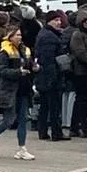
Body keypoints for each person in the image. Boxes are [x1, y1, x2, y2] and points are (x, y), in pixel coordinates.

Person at [0, 26, 34, 159]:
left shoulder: (25, 50)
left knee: (23, 119)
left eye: (20, 35)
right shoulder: (4, 52)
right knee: (8, 120)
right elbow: (1, 71)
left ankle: (22, 148)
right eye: (17, 35)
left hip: (23, 89)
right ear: (10, 37)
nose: (20, 37)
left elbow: (29, 65)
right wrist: (18, 72)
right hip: (9, 90)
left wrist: (35, 67)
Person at [33, 11, 67, 141]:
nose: (59, 23)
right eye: (55, 20)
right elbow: (49, 60)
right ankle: (56, 132)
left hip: (44, 76)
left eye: (59, 20)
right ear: (49, 21)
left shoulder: (45, 34)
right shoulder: (50, 37)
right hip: (50, 76)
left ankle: (43, 131)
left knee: (45, 105)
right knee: (53, 106)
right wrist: (53, 78)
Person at [69, 9, 87, 137]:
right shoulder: (77, 35)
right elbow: (80, 53)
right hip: (81, 72)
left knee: (84, 100)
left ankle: (77, 127)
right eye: (85, 21)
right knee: (82, 100)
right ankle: (83, 127)